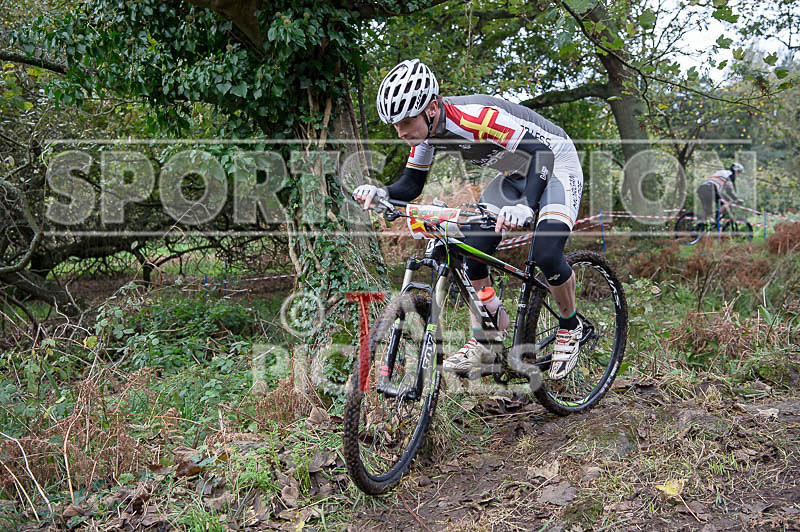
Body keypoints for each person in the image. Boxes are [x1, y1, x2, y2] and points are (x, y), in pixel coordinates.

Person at [352, 59, 584, 380]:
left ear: (431, 108)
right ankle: (488, 335)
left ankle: (571, 326)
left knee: (546, 252)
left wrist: (526, 206)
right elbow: (411, 184)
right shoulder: (426, 135)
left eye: (406, 121)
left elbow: (541, 154)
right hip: (514, 174)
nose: (401, 132)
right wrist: (382, 193)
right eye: (395, 124)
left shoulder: (477, 118)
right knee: (474, 248)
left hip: (555, 163)